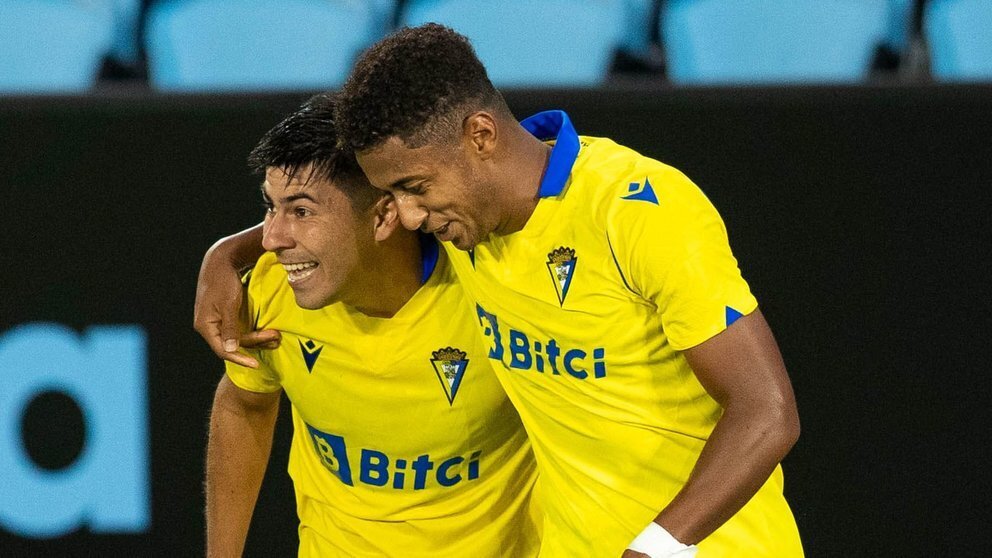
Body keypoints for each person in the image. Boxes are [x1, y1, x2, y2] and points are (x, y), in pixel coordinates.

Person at [195, 24, 803, 558]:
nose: (407, 216)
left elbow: (767, 412)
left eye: (415, 186)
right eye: (393, 197)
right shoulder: (467, 236)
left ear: (480, 136)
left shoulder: (637, 210)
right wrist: (227, 254)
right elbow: (342, 224)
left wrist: (656, 547)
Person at [202, 93, 540, 557]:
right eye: (270, 207)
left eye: (301, 211)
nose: (273, 238)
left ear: (384, 215)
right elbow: (244, 406)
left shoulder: (489, 289)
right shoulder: (270, 289)